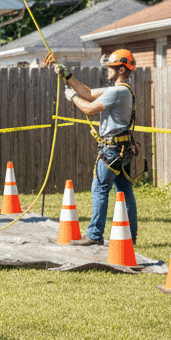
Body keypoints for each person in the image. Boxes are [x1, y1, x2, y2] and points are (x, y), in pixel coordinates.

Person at [55, 49, 138, 247]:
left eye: (110, 67)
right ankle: (130, 236)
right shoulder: (125, 90)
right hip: (123, 149)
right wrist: (69, 77)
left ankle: (94, 235)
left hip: (112, 151)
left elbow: (89, 108)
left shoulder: (116, 92)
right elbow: (89, 93)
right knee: (125, 190)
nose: (106, 70)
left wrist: (71, 97)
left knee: (100, 188)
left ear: (120, 69)